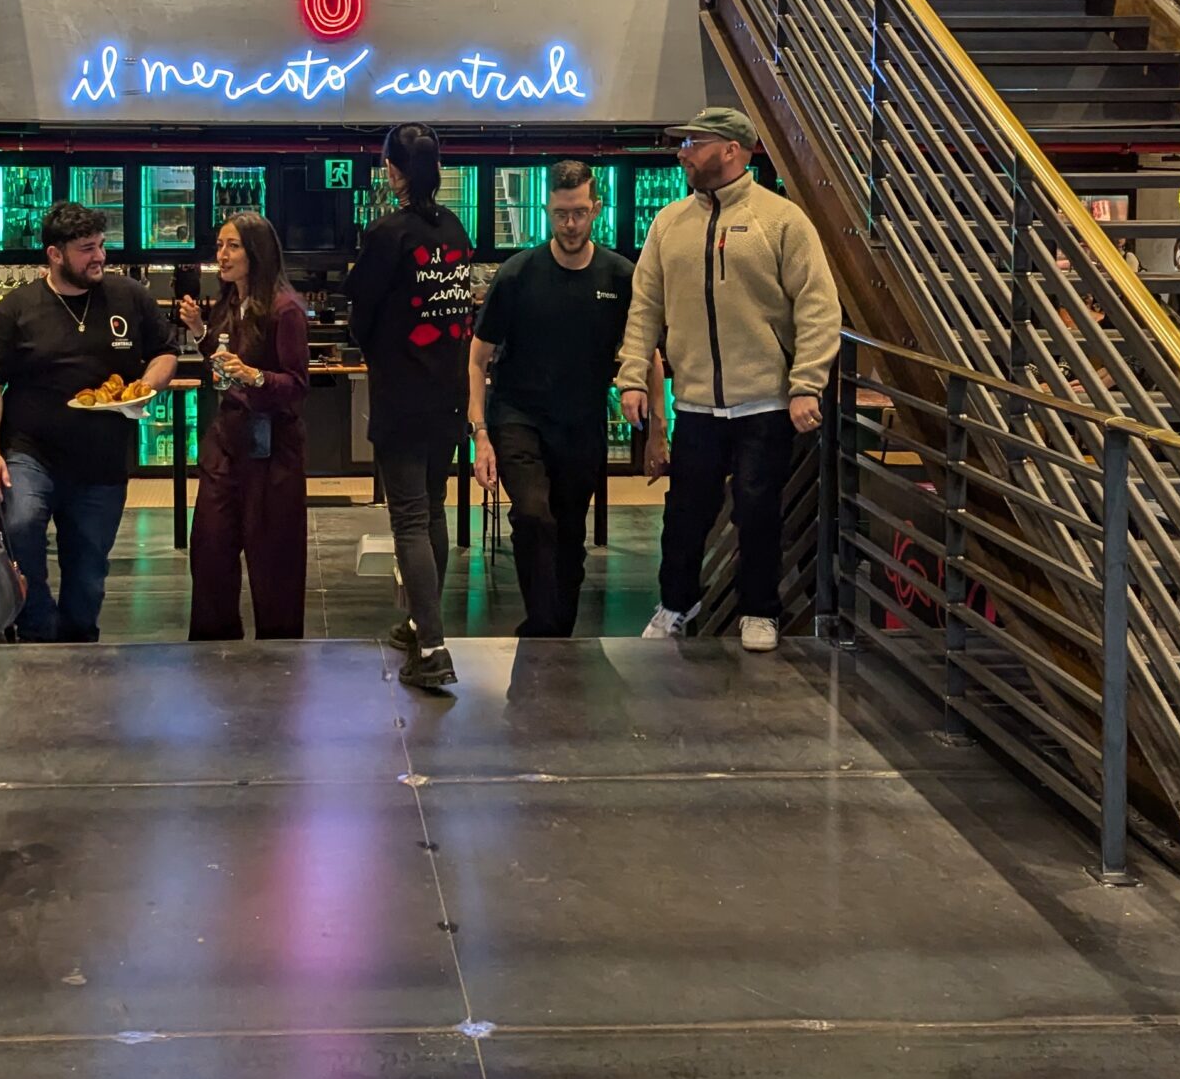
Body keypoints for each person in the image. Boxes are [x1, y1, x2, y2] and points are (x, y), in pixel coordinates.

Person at [616, 108, 840, 651]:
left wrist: (807, 382)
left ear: (733, 150)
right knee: (684, 514)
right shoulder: (669, 222)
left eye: (694, 142)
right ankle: (677, 602)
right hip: (693, 403)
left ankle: (759, 610)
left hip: (764, 401)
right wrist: (633, 377)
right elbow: (645, 305)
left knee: (759, 511)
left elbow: (818, 306)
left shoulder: (781, 221)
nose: (683, 151)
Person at [0, 200, 176, 643]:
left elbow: (165, 351)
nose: (99, 256)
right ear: (55, 254)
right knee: (22, 524)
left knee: (88, 572)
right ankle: (37, 629)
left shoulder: (129, 296)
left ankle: (79, 644)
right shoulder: (17, 308)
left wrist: (146, 386)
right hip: (31, 452)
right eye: (86, 249)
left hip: (102, 461)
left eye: (102, 245)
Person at [469, 162, 640, 638]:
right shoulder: (518, 274)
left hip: (582, 420)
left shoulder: (619, 275)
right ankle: (542, 624)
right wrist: (481, 432)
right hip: (518, 414)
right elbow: (477, 358)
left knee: (568, 530)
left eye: (580, 213)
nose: (570, 224)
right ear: (547, 210)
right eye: (561, 214)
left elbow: (646, 350)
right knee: (532, 513)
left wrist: (658, 427)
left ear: (596, 210)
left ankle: (556, 628)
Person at [349, 123, 477, 688]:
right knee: (432, 510)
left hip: (402, 392)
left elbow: (362, 313)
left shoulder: (387, 233)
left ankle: (432, 647)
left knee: (408, 517)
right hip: (447, 390)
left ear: (393, 171)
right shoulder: (453, 227)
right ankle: (419, 623)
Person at [181, 211, 311, 641]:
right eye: (219, 245)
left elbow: (296, 385)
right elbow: (224, 366)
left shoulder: (284, 309)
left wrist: (255, 376)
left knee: (273, 558)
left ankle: (279, 653)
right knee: (210, 547)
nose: (222, 254)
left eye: (232, 246)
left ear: (256, 252)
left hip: (272, 446)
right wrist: (202, 333)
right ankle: (214, 648)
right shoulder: (228, 302)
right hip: (228, 439)